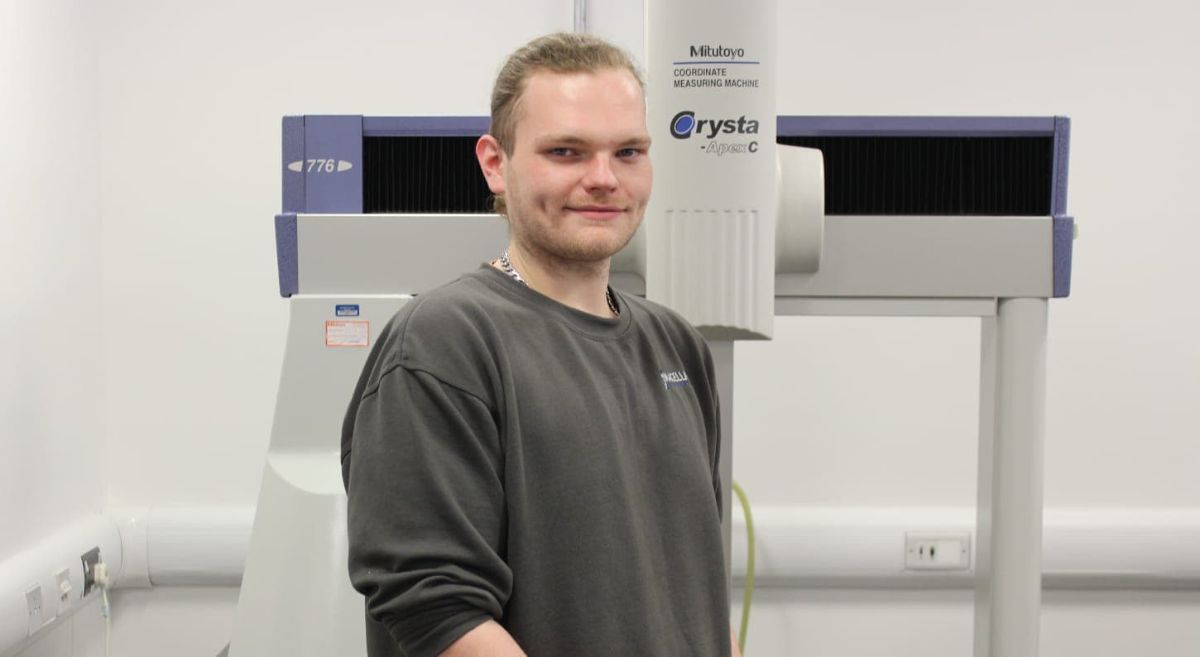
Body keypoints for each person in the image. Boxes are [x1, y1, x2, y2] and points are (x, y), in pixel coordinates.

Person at [342, 32, 739, 657]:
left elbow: (697, 595)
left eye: (628, 151)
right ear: (496, 163)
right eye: (566, 152)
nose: (604, 179)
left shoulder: (677, 347)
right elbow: (435, 610)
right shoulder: (447, 340)